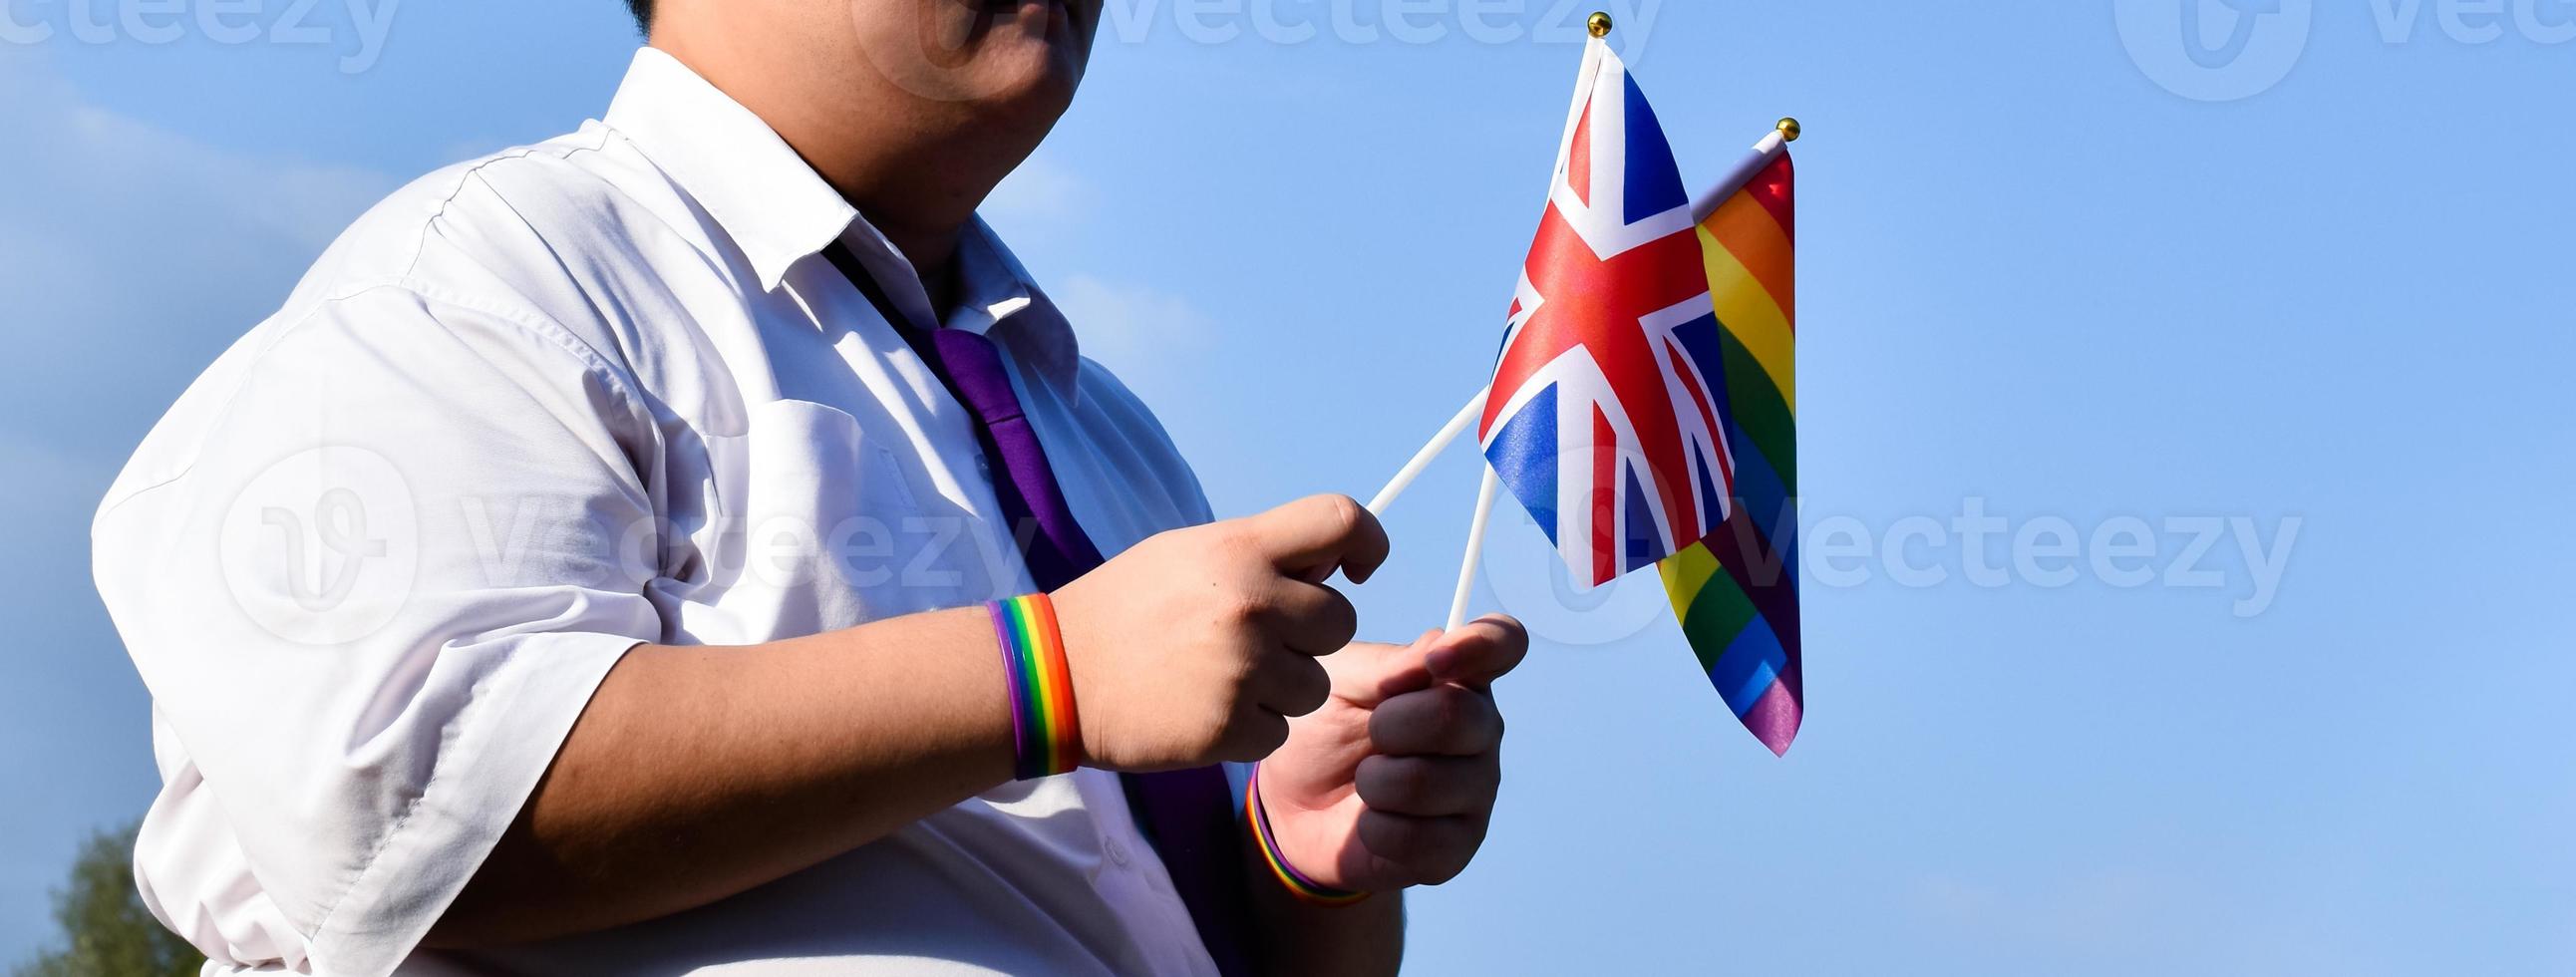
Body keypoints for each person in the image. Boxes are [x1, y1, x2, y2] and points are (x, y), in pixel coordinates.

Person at [86, 0, 1523, 973]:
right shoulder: (491, 274)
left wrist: (1290, 861)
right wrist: (1049, 672)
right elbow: (407, 801)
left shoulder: (1108, 435)